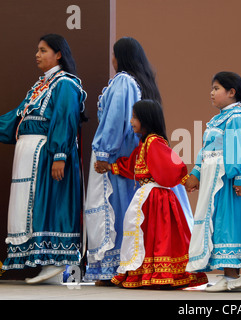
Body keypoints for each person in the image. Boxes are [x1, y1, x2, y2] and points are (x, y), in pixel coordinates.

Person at [84, 37, 193, 285]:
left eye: (114, 54)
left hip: (119, 154)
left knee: (121, 211)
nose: (111, 59)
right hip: (129, 156)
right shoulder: (141, 83)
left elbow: (114, 120)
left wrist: (103, 153)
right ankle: (132, 267)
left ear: (120, 57)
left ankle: (116, 269)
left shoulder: (123, 81)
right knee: (135, 215)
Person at [0, 34, 87, 283]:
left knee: (50, 204)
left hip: (47, 155)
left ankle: (56, 261)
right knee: (33, 208)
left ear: (58, 54)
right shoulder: (40, 86)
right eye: (37, 50)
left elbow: (64, 119)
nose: (37, 55)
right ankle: (45, 260)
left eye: (43, 50)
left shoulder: (65, 84)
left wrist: (59, 155)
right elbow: (15, 119)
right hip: (29, 156)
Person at [97, 100, 207, 289]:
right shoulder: (144, 143)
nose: (131, 121)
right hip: (148, 197)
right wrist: (110, 167)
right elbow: (131, 165)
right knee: (146, 236)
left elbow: (170, 165)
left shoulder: (154, 142)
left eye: (134, 117)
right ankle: (148, 273)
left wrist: (184, 179)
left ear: (146, 119)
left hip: (157, 198)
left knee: (157, 236)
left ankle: (159, 273)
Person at [184, 71, 241, 292]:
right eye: (212, 88)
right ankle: (228, 274)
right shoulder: (218, 120)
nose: (211, 93)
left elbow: (239, 151)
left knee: (228, 224)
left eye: (217, 88)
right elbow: (206, 150)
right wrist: (196, 174)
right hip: (215, 180)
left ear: (232, 93)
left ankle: (232, 276)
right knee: (218, 223)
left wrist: (240, 178)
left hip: (228, 182)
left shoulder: (237, 118)